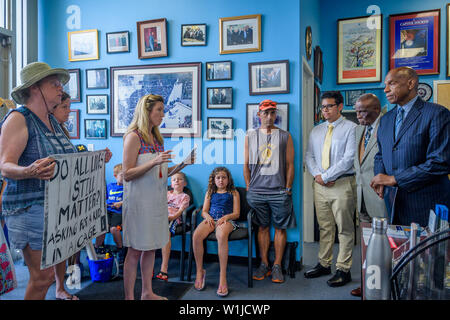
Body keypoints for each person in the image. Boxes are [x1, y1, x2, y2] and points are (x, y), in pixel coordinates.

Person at [0, 62, 78, 299]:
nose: (60, 88)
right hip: (30, 208)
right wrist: (28, 171)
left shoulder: (52, 120)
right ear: (35, 88)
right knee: (42, 277)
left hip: (55, 208)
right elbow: (4, 164)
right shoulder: (19, 118)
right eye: (54, 83)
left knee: (46, 276)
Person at [122, 94, 193, 300]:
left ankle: (147, 292)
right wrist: (154, 162)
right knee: (135, 251)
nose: (163, 114)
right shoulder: (133, 137)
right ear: (147, 112)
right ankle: (129, 297)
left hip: (156, 202)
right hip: (138, 204)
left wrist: (182, 164)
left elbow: (161, 173)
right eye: (159, 110)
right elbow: (127, 174)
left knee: (151, 248)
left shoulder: (156, 138)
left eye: (163, 109)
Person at [371, 67, 450, 227]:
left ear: (410, 83)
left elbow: (440, 162)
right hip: (394, 202)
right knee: (400, 249)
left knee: (429, 252)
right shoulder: (386, 119)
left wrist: (395, 179)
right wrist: (380, 176)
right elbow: (381, 153)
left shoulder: (436, 114)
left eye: (391, 84)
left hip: (426, 203)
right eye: (385, 84)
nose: (385, 89)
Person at [304, 91, 357, 287]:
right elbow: (309, 156)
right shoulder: (316, 130)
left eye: (329, 106)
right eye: (323, 107)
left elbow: (349, 159)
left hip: (342, 184)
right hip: (320, 186)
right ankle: (324, 264)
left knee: (344, 228)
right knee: (325, 227)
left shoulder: (351, 128)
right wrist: (319, 176)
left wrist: (326, 176)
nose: (325, 110)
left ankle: (343, 269)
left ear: (340, 106)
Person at [244, 99, 295, 284]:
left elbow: (290, 164)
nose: (269, 116)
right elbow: (246, 164)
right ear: (259, 115)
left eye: (272, 112)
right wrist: (249, 186)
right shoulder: (250, 136)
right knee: (263, 227)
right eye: (265, 113)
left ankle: (277, 266)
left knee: (280, 228)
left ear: (276, 115)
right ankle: (264, 263)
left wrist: (288, 188)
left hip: (279, 191)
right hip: (257, 191)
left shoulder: (285, 136)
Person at [350, 93, 388, 298]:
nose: (358, 115)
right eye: (356, 111)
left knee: (385, 245)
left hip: (381, 195)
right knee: (365, 243)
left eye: (362, 111)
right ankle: (367, 283)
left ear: (377, 109)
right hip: (362, 195)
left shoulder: (388, 127)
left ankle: (384, 285)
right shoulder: (358, 130)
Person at [192, 167, 240, 297]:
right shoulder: (210, 192)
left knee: (221, 234)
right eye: (218, 177)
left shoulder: (233, 192)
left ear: (228, 179)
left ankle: (222, 277)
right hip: (211, 219)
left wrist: (226, 217)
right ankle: (199, 271)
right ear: (214, 180)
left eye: (224, 177)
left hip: (227, 221)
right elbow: (204, 211)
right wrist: (206, 216)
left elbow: (236, 213)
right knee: (196, 235)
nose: (221, 180)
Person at [51, 91, 79, 300]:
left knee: (63, 245)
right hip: (49, 196)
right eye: (65, 107)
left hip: (66, 195)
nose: (69, 111)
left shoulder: (63, 132)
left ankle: (60, 287)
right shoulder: (44, 132)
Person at [155, 172, 190, 281]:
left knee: (165, 234)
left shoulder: (185, 196)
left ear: (185, 183)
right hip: (160, 216)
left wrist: (171, 217)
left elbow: (180, 211)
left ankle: (164, 268)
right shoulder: (166, 193)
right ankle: (148, 267)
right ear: (171, 183)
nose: (176, 181)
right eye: (174, 179)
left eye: (179, 179)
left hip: (173, 218)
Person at [94, 163, 126, 266]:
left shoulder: (128, 187)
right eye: (122, 175)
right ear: (115, 176)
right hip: (108, 211)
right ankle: (97, 249)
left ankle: (120, 249)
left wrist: (121, 203)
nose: (124, 177)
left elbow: (132, 200)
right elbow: (103, 199)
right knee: (102, 227)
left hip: (119, 212)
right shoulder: (109, 186)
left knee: (114, 229)